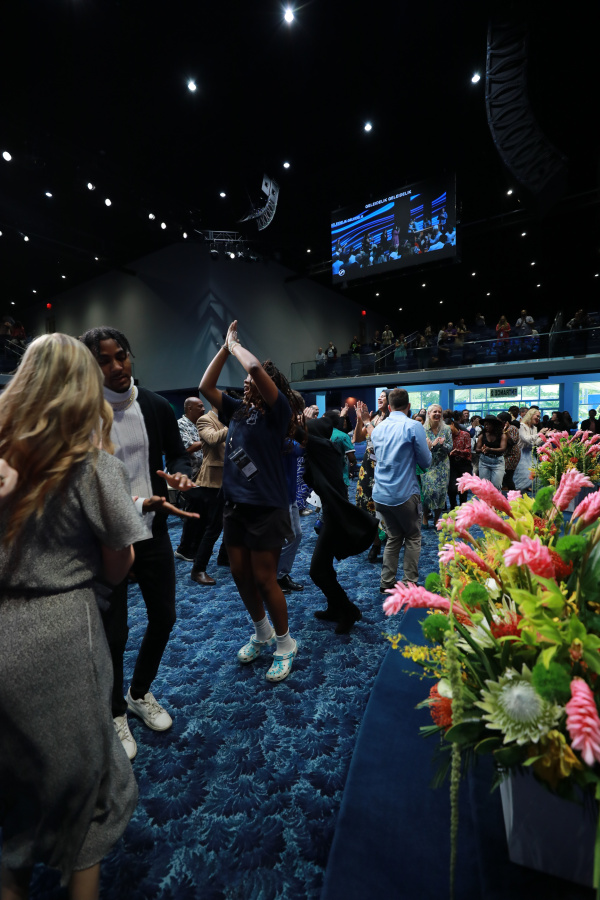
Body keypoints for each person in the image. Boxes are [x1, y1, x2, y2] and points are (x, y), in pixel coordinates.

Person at [0, 334, 151, 898]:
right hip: (61, 636)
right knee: (93, 795)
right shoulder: (92, 467)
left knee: (16, 797)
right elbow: (118, 566)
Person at [80, 326, 197, 759]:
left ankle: (138, 693)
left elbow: (177, 452)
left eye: (122, 356)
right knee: (115, 633)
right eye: (104, 361)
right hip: (107, 540)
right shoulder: (83, 414)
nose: (116, 366)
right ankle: (114, 711)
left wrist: (180, 472)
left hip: (153, 531)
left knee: (164, 617)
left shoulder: (154, 404)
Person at [199, 320, 301, 682]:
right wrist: (223, 350)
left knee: (264, 578)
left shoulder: (278, 413)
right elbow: (204, 387)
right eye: (243, 381)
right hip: (234, 506)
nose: (245, 383)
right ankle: (262, 633)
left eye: (249, 382)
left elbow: (255, 367)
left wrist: (235, 345)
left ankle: (285, 644)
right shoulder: (238, 411)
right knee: (240, 574)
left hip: (266, 508)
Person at [298, 416, 376, 633]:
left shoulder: (325, 449)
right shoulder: (320, 452)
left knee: (317, 571)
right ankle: (334, 608)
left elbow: (297, 434)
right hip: (330, 514)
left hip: (334, 516)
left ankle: (348, 610)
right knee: (324, 567)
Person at [366, 389, 431, 591]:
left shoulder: (378, 428)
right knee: (412, 536)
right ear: (408, 406)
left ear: (389, 406)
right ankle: (410, 583)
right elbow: (426, 462)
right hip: (404, 493)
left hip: (381, 494)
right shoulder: (413, 426)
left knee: (394, 536)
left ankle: (386, 581)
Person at [187, 402, 229, 586]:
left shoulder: (226, 420)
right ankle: (198, 569)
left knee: (232, 522)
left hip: (231, 478)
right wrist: (234, 426)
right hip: (212, 481)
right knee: (214, 526)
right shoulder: (205, 420)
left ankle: (224, 557)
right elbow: (212, 439)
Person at [354, 391, 390, 562]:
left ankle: (390, 540)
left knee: (386, 506)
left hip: (384, 466)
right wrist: (359, 420)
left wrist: (367, 422)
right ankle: (376, 542)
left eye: (384, 396)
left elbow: (379, 440)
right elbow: (357, 438)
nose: (380, 398)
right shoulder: (374, 418)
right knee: (366, 504)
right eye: (379, 395)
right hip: (368, 466)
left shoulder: (392, 421)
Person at [174, 395, 206, 561]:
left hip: (202, 477)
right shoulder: (181, 425)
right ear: (189, 408)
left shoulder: (200, 425)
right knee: (193, 515)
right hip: (188, 476)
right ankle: (184, 550)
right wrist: (210, 438)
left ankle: (196, 547)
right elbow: (187, 448)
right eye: (200, 406)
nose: (204, 409)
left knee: (202, 514)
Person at [421, 404, 452, 527]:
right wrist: (432, 446)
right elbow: (421, 449)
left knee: (441, 493)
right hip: (427, 465)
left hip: (442, 465)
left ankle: (436, 519)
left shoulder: (446, 429)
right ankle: (424, 517)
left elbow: (450, 447)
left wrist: (442, 445)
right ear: (429, 414)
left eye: (439, 412)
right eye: (435, 412)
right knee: (427, 492)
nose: (437, 414)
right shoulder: (422, 430)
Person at [514, 407, 547, 491]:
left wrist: (545, 437)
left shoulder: (534, 428)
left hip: (530, 454)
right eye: (537, 416)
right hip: (521, 454)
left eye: (539, 417)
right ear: (531, 415)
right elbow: (526, 439)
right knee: (525, 475)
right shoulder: (521, 426)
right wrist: (539, 434)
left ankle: (528, 493)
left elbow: (535, 443)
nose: (539, 418)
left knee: (536, 473)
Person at [447, 413, 472, 508]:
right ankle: (453, 507)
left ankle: (463, 507)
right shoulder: (447, 436)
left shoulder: (465, 434)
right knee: (451, 489)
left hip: (464, 463)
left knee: (463, 489)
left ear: (452, 424)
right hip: (452, 463)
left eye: (449, 428)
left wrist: (458, 451)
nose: (448, 431)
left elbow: (468, 451)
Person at [476, 415, 507, 489]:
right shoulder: (482, 435)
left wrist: (490, 449)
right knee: (484, 486)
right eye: (485, 425)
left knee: (496, 486)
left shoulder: (502, 435)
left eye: (488, 424)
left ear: (494, 425)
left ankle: (495, 497)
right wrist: (482, 449)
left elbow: (503, 448)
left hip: (498, 462)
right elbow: (477, 449)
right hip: (484, 461)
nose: (486, 426)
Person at [497, 411, 521, 492]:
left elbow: (513, 441)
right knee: (504, 477)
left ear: (505, 421)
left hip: (512, 454)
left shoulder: (512, 428)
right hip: (505, 454)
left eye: (499, 420)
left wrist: (506, 432)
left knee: (507, 477)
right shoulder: (501, 428)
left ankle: (514, 495)